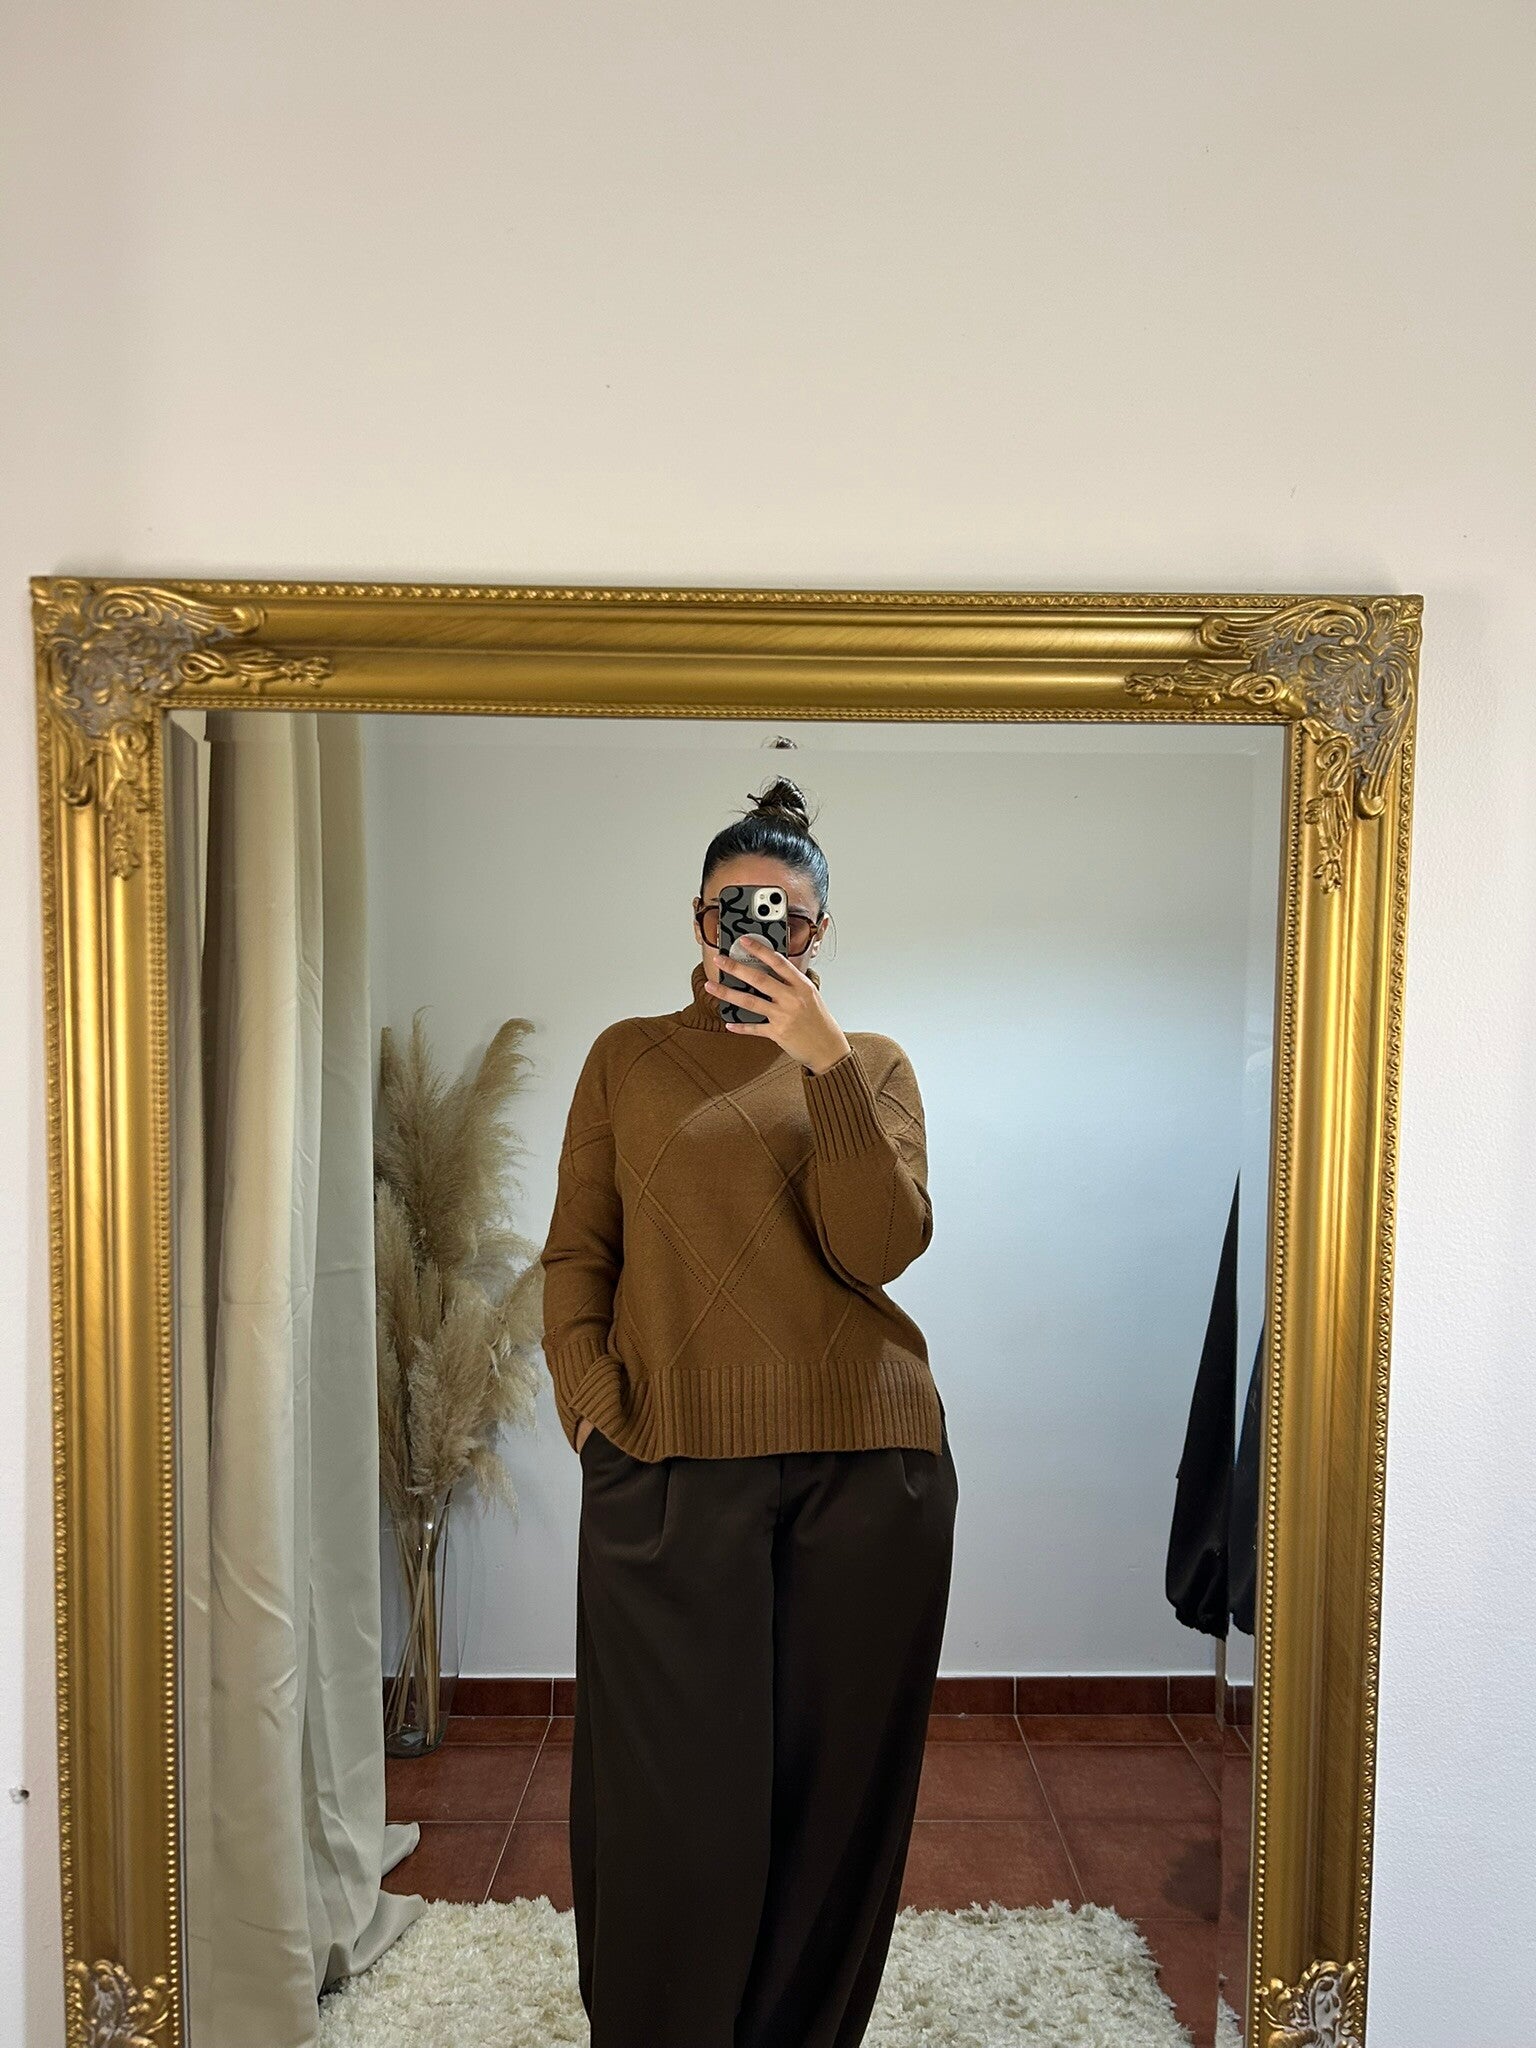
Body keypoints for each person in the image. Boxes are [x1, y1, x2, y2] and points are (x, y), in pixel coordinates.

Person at [540, 777, 958, 2048]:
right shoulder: (626, 1056)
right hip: (669, 1462)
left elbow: (879, 1247)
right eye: (735, 907)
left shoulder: (870, 1063)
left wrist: (822, 1062)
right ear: (699, 917)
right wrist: (593, 1408)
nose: (757, 929)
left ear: (818, 931)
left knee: (836, 1796)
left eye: (785, 914)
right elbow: (578, 1254)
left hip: (869, 1464)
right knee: (669, 1799)